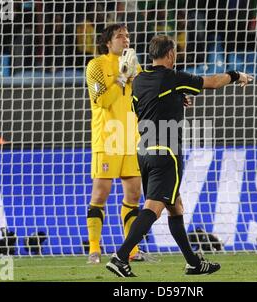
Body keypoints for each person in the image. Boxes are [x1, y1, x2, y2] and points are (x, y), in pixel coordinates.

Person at [105, 35, 254, 277]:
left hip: (144, 151)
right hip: (166, 151)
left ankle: (194, 263)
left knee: (176, 207)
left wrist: (175, 99)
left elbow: (141, 107)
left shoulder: (140, 80)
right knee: (154, 207)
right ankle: (121, 256)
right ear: (171, 54)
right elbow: (213, 82)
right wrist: (236, 75)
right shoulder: (173, 77)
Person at [85, 24, 154, 264]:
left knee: (134, 195)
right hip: (107, 139)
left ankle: (131, 251)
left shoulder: (136, 65)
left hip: (131, 139)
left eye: (127, 36)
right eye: (119, 36)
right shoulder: (96, 66)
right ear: (108, 42)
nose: (125, 39)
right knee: (101, 193)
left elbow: (148, 95)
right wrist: (122, 78)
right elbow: (102, 100)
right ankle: (94, 249)